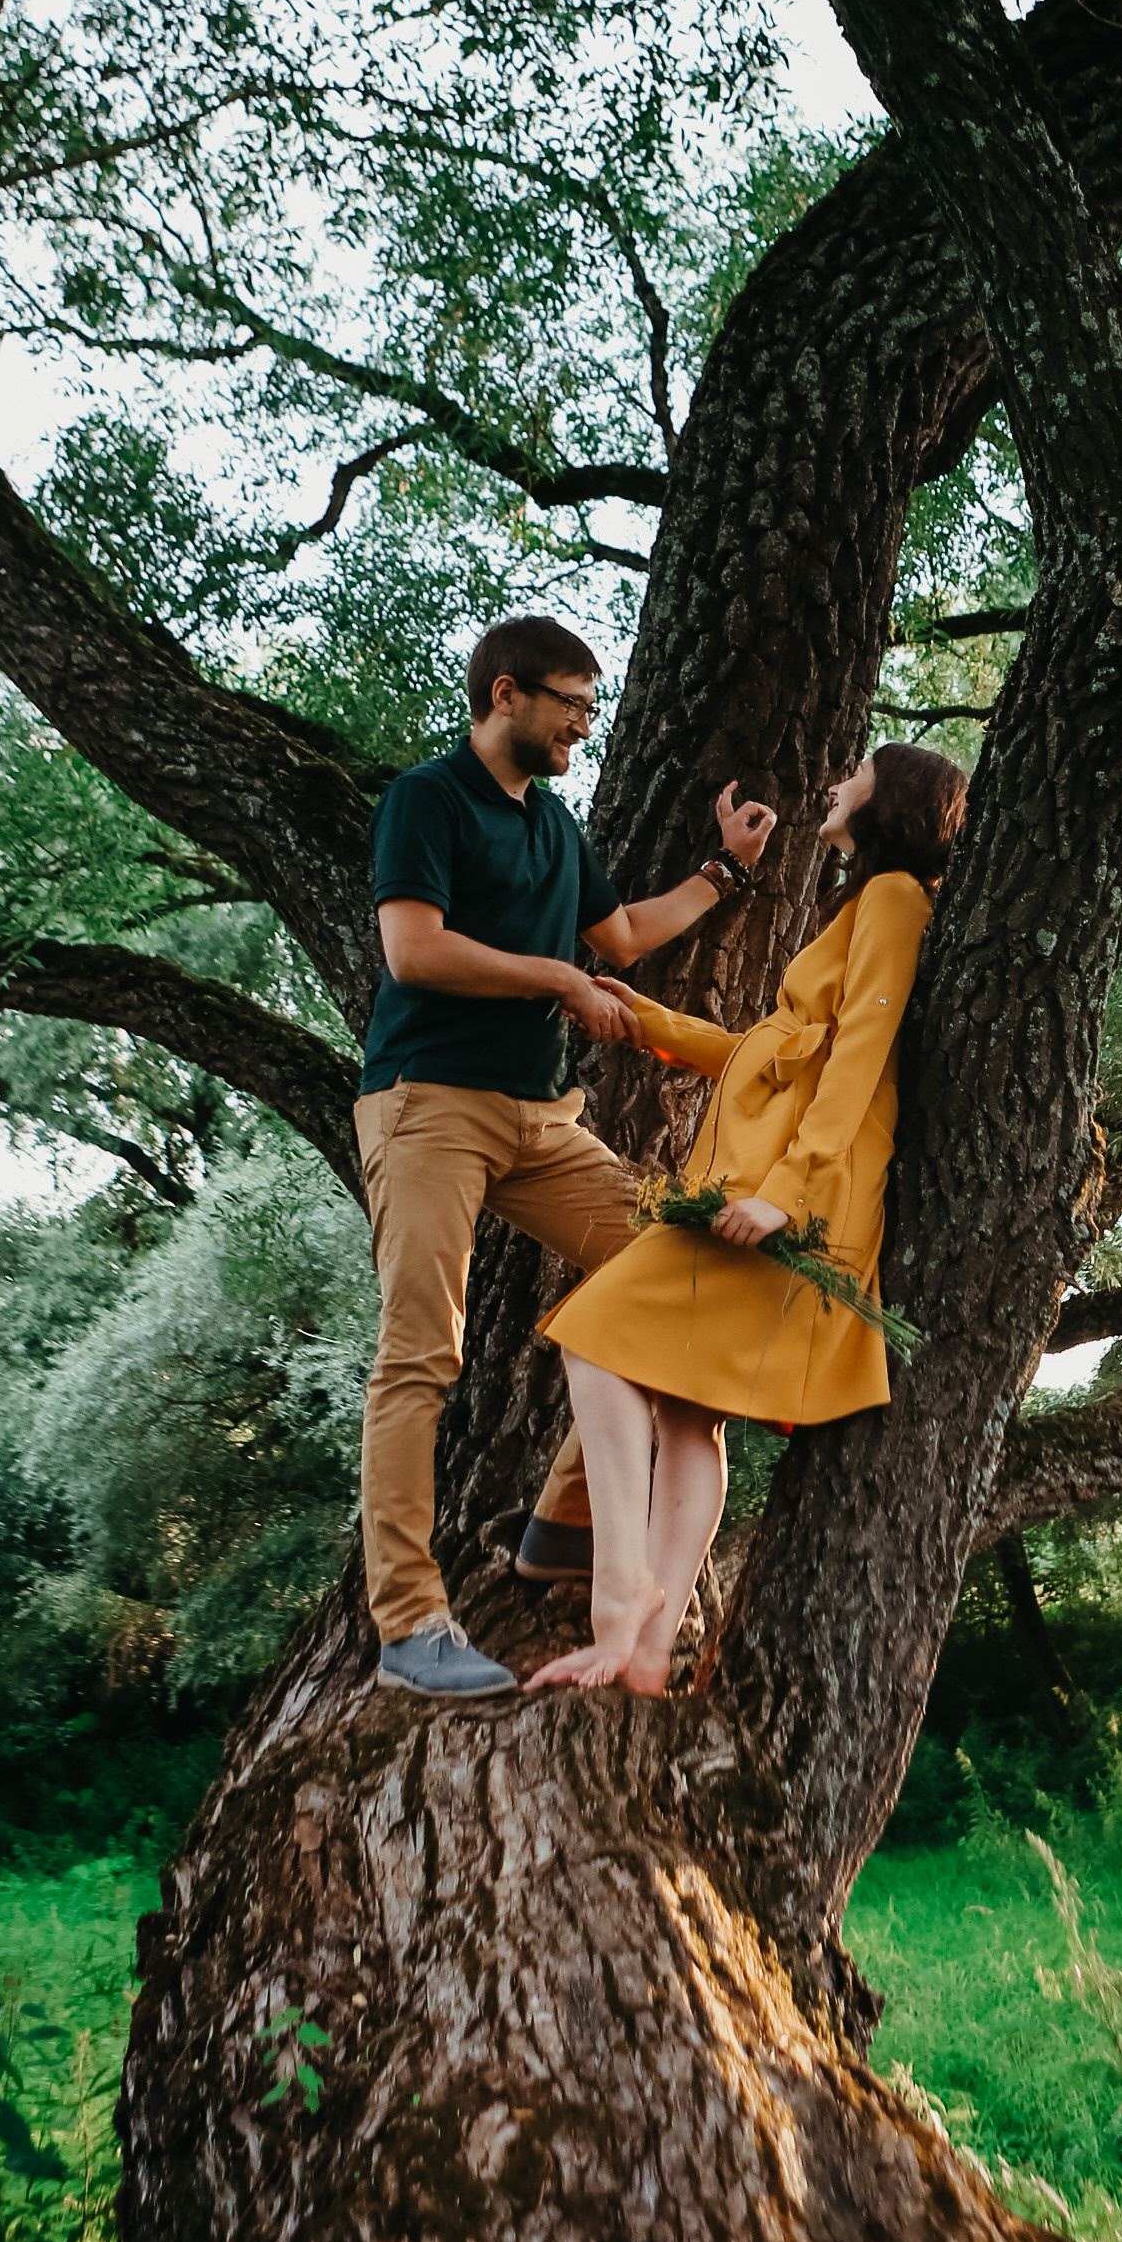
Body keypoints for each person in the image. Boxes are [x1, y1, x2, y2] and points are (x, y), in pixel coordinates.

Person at [357, 615, 776, 1704]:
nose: (584, 728)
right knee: (421, 1355)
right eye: (573, 706)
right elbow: (413, 948)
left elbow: (624, 937)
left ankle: (559, 1530)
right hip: (428, 1105)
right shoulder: (429, 799)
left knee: (678, 1266)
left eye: (592, 710)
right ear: (506, 694)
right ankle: (410, 1624)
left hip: (541, 1120)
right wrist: (555, 982)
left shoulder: (553, 827)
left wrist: (724, 873)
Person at [526, 740, 968, 1698]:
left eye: (855, 771)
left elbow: (863, 1051)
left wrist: (790, 1195)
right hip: (760, 1196)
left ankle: (623, 1599)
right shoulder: (861, 904)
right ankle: (644, 1655)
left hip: (785, 1209)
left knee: (592, 1338)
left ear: (892, 799)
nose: (834, 779)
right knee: (688, 1418)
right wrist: (649, 1020)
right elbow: (769, 1051)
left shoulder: (894, 899)